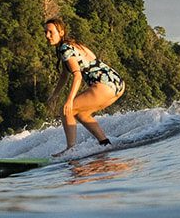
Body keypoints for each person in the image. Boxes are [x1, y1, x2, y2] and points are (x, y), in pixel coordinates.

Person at [44, 17, 125, 157]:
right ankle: (105, 143)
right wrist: (55, 94)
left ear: (61, 32)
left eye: (51, 32)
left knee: (67, 110)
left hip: (104, 84)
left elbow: (77, 75)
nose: (47, 36)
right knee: (81, 113)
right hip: (117, 83)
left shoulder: (65, 48)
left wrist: (69, 100)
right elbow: (65, 75)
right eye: (45, 32)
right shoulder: (71, 45)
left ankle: (71, 150)